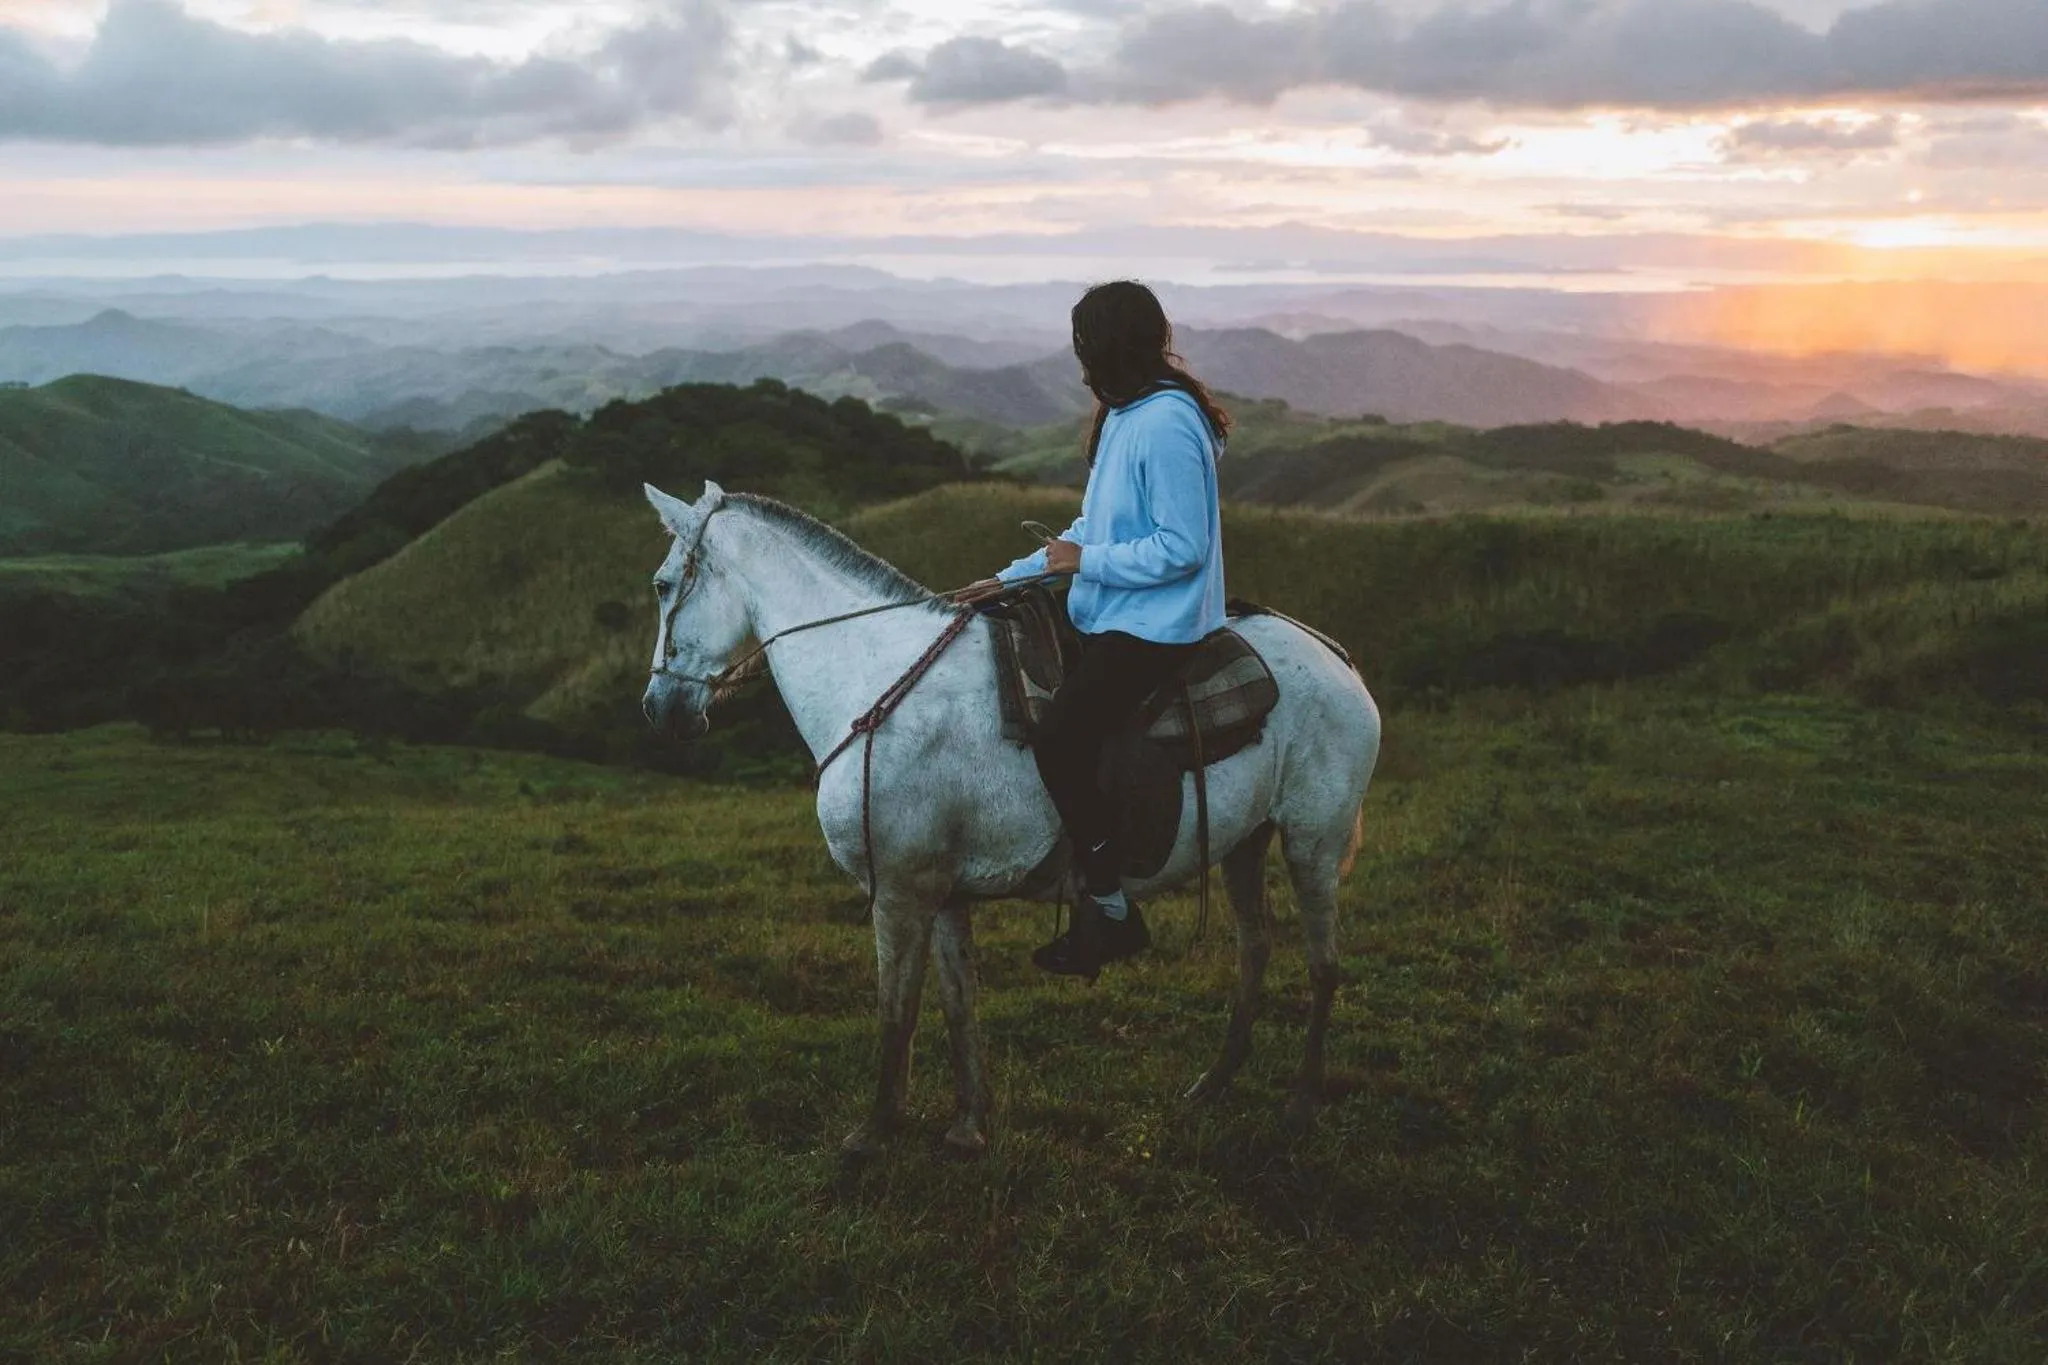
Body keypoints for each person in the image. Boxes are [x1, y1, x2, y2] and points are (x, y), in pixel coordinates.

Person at [956, 280, 1232, 980]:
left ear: (1106, 348)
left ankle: (1110, 907)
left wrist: (1089, 562)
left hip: (1159, 624)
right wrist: (1011, 577)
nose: (1078, 359)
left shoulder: (1166, 422)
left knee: (1062, 736)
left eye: (1084, 344)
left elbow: (1183, 545)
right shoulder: (1122, 413)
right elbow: (1094, 530)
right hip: (1112, 607)